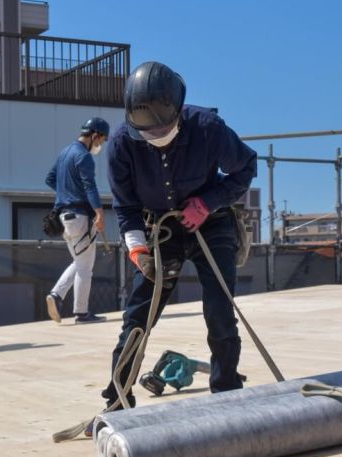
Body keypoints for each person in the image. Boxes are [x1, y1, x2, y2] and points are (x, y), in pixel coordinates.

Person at [96, 60, 256, 420]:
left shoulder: (209, 129)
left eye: (161, 131)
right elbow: (126, 207)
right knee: (139, 313)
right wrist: (137, 248)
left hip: (210, 225)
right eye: (146, 133)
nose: (153, 138)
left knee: (219, 308)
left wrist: (208, 202)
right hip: (160, 231)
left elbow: (246, 168)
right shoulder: (122, 144)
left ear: (179, 111)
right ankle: (118, 398)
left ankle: (227, 393)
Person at [44, 117, 109, 324]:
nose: (100, 145)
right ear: (95, 135)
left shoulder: (65, 153)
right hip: (80, 217)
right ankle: (81, 313)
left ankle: (56, 295)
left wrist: (66, 194)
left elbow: (50, 179)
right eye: (101, 140)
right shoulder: (84, 156)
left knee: (80, 261)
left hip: (63, 218)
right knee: (85, 267)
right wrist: (99, 212)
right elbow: (90, 186)